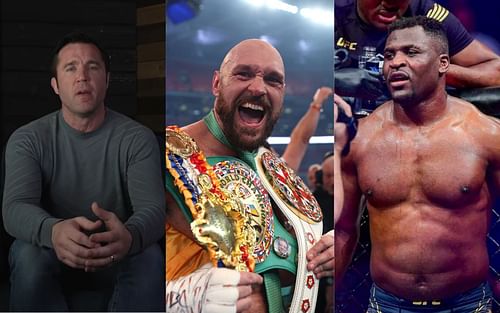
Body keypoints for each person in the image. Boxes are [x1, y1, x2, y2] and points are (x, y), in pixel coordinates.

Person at [335, 16, 500, 312]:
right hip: (387, 304)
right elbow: (344, 230)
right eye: (389, 55)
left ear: (443, 64)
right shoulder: (360, 140)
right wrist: (326, 299)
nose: (396, 62)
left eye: (411, 53)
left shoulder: (486, 135)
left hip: (468, 304)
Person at [165, 39, 334, 313]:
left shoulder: (273, 169)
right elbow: (115, 273)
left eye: (273, 80)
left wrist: (329, 248)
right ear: (216, 84)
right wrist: (180, 298)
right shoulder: (166, 157)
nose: (258, 87)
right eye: (243, 73)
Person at [2, 32, 166, 311]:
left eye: (93, 67)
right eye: (71, 68)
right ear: (55, 85)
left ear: (107, 80)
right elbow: (15, 208)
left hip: (117, 255)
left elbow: (153, 208)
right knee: (26, 253)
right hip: (53, 254)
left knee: (149, 254)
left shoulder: (137, 139)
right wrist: (52, 231)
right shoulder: (28, 138)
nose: (82, 77)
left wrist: (128, 236)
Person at [335, 0, 500, 89]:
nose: (389, 4)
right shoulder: (331, 11)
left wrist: (431, 71)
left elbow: (496, 71)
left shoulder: (430, 14)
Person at [282, 86, 333, 172]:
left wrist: (317, 104)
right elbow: (299, 140)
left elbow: (300, 140)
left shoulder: (274, 174)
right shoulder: (274, 175)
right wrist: (317, 104)